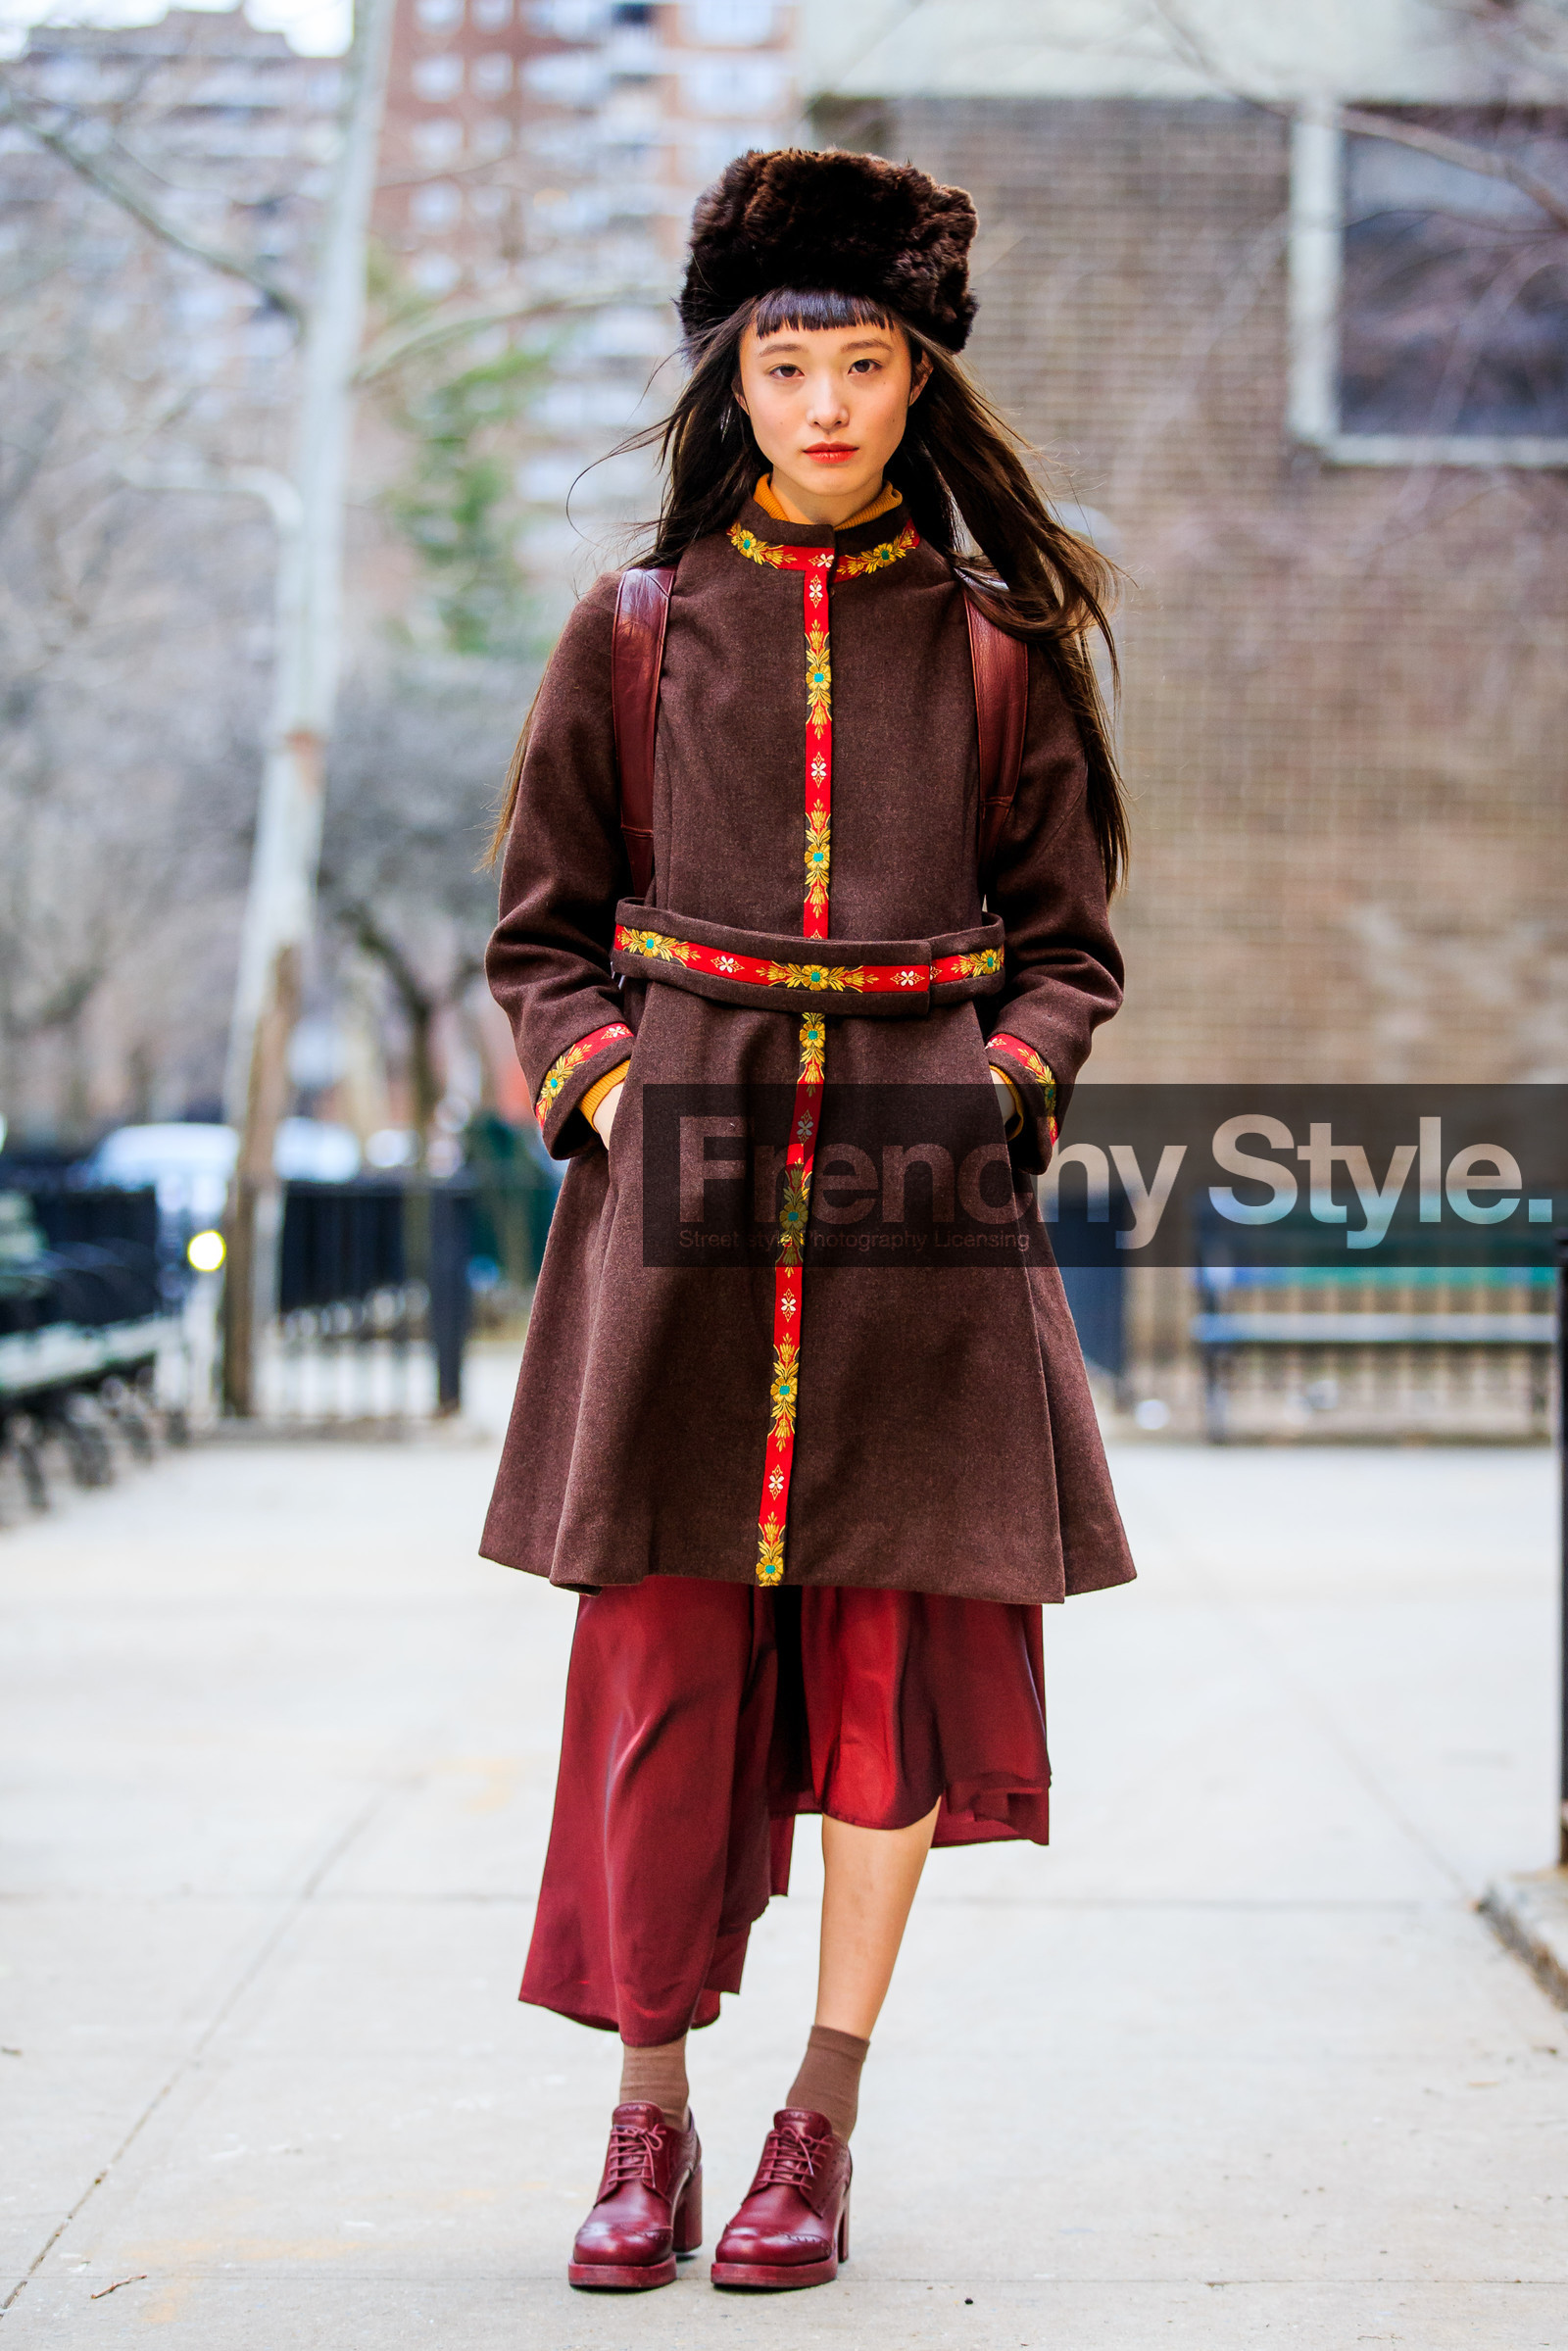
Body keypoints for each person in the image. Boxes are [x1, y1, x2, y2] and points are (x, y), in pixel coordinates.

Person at [481, 146, 1136, 2294]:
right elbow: (538, 940)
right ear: (734, 384)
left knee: (888, 1686)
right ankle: (644, 2122)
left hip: (914, 1239)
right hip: (675, 1241)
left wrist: (995, 1094)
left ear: (920, 380)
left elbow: (1065, 949)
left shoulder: (1007, 655)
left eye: (865, 363)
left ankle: (814, 2128)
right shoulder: (637, 632)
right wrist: (607, 1088)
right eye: (790, 366)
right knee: (659, 1681)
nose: (829, 404)